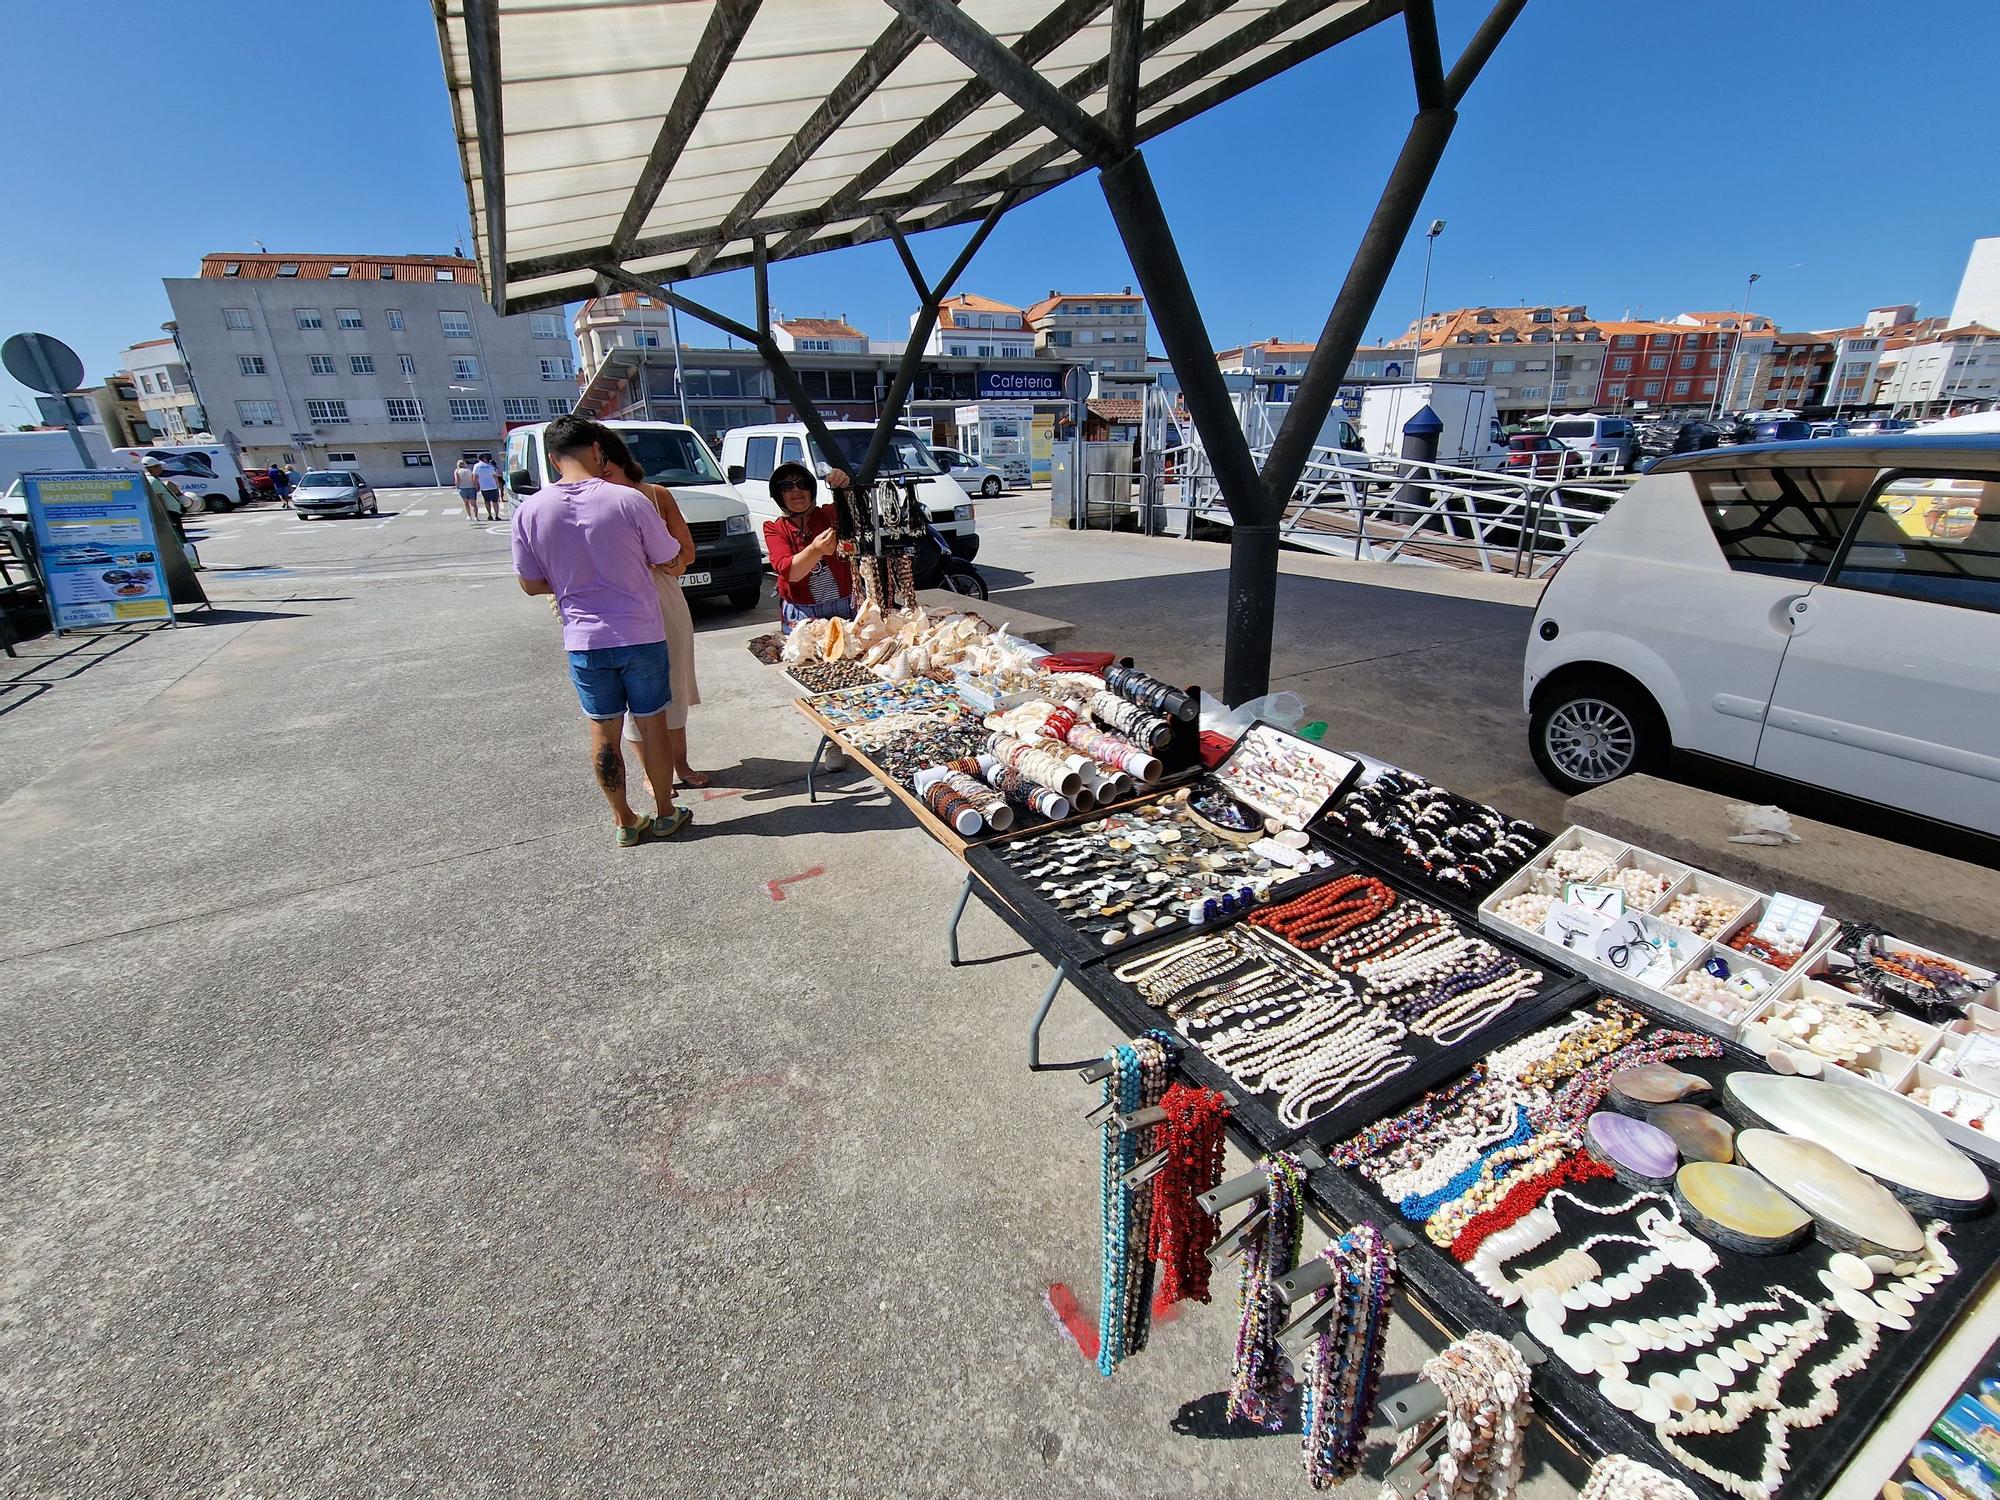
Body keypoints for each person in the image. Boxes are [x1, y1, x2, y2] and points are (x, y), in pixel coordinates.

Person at [511, 415, 691, 846]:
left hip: (584, 639)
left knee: (603, 730)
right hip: (641, 633)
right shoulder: (628, 500)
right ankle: (666, 812)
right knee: (652, 724)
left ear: (554, 459)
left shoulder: (530, 509)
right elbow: (668, 556)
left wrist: (574, 579)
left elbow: (531, 584)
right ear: (596, 450)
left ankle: (625, 820)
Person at [598, 431, 710, 795]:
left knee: (674, 685)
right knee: (632, 692)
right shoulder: (587, 501)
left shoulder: (656, 495)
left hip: (663, 596)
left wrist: (665, 559)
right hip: (615, 607)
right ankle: (650, 770)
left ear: (623, 464)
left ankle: (680, 764)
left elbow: (686, 554)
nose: (602, 481)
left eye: (608, 471)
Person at [763, 461, 855, 634]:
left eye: (802, 484)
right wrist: (816, 550)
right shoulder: (774, 529)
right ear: (778, 495)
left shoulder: (828, 515)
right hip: (803, 613)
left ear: (811, 489)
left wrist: (845, 483)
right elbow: (791, 572)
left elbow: (854, 507)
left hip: (846, 605)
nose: (796, 490)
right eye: (786, 486)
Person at [474, 453, 502, 522]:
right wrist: (498, 485)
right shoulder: (490, 466)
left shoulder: (476, 466)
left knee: (487, 501)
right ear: (484, 458)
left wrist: (476, 485)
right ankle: (496, 515)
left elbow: (475, 476)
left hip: (484, 487)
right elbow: (495, 476)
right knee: (495, 502)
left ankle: (489, 515)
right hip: (493, 486)